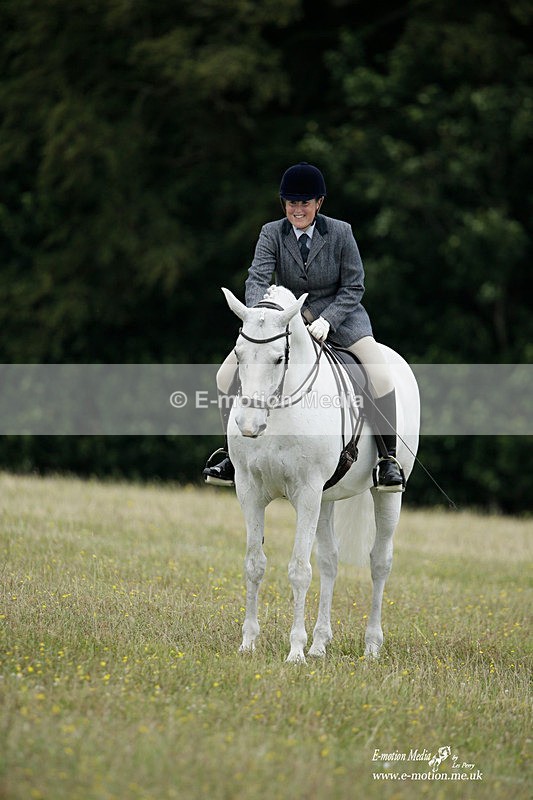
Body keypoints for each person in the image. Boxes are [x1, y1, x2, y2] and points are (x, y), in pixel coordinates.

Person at [203, 162, 404, 491]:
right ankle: (229, 454)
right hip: (285, 322)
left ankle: (387, 460)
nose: (298, 210)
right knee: (224, 374)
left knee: (379, 375)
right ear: (284, 204)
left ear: (319, 203)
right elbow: (257, 278)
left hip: (342, 318)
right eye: (292, 203)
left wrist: (327, 319)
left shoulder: (341, 233)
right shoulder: (271, 233)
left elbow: (354, 286)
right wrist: (260, 315)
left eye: (305, 203)